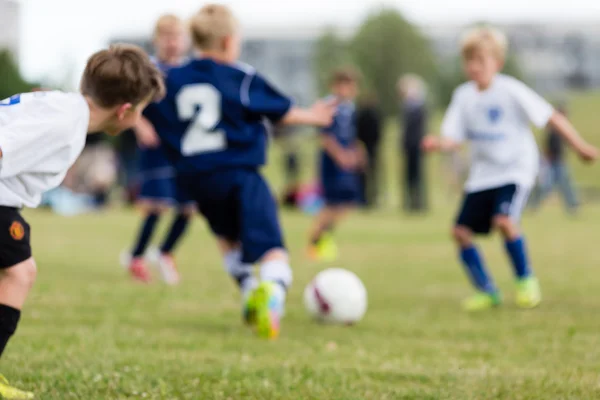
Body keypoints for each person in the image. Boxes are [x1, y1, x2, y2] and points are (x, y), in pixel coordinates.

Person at [152, 4, 335, 339]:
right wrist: (315, 117)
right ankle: (273, 294)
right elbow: (280, 111)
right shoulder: (240, 77)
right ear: (227, 41)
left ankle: (250, 290)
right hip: (240, 172)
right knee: (270, 246)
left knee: (227, 239)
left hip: (198, 178)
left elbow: (153, 112)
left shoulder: (172, 79)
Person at [0, 45, 163, 399]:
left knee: (15, 268)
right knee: (18, 272)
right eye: (142, 111)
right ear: (124, 112)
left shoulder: (62, 108)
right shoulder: (65, 124)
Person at [422, 26, 598, 312]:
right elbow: (454, 138)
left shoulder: (511, 90)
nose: (474, 67)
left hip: (515, 170)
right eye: (469, 61)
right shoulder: (463, 96)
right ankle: (488, 291)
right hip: (482, 175)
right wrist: (438, 143)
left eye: (481, 60)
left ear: (497, 63)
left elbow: (550, 116)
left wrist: (580, 147)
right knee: (460, 231)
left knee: (503, 221)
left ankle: (526, 280)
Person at [121, 15, 193, 285]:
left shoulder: (189, 71)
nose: (172, 42)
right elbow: (129, 102)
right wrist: (141, 125)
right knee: (157, 205)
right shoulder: (149, 69)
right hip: (156, 147)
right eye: (167, 37)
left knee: (189, 207)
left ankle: (165, 252)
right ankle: (137, 256)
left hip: (184, 149)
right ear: (157, 39)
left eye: (177, 37)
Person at [308, 68, 365, 262]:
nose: (346, 90)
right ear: (335, 86)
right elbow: (323, 136)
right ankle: (314, 242)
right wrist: (339, 155)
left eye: (350, 86)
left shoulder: (350, 108)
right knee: (331, 204)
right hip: (332, 164)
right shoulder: (328, 105)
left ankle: (324, 239)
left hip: (346, 163)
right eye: (343, 85)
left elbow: (350, 135)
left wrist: (357, 151)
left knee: (346, 204)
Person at [530, 103, 579, 213]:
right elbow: (546, 146)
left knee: (566, 185)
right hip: (551, 162)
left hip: (560, 162)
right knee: (545, 186)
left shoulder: (562, 130)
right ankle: (533, 205)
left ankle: (573, 206)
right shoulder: (552, 130)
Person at [398, 74, 428, 212]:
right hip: (409, 146)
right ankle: (410, 202)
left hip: (417, 145)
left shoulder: (418, 107)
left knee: (418, 175)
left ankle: (419, 202)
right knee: (409, 175)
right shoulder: (406, 107)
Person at [356, 93, 382, 208]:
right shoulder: (374, 115)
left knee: (364, 176)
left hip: (364, 146)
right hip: (370, 148)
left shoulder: (361, 114)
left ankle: (364, 199)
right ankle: (369, 198)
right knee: (370, 175)